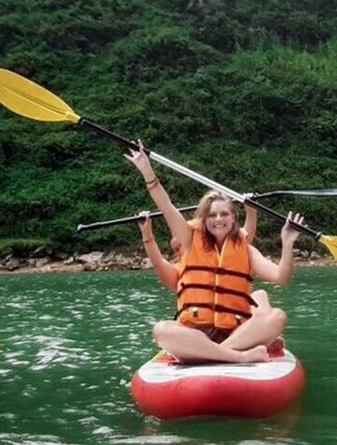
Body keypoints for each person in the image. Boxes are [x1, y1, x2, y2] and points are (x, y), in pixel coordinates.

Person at [126, 141, 302, 364]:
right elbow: (166, 205)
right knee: (162, 330)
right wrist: (147, 171)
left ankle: (212, 353)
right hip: (196, 332)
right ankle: (237, 357)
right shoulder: (189, 240)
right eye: (212, 215)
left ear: (233, 218)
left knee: (277, 316)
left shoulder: (245, 250)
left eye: (224, 214)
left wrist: (287, 244)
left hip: (236, 334)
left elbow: (282, 277)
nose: (218, 219)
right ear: (203, 219)